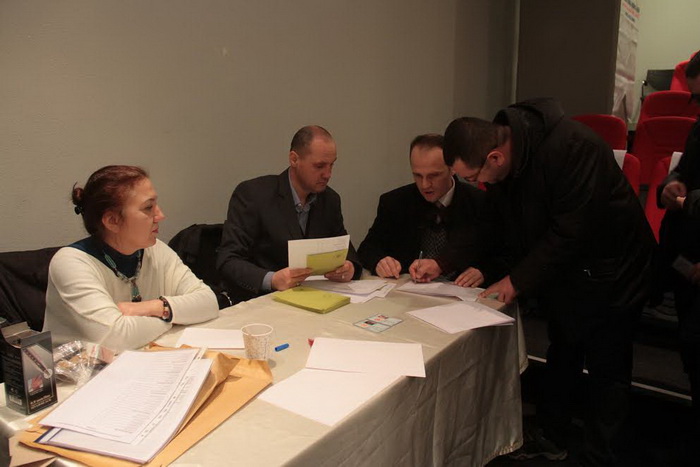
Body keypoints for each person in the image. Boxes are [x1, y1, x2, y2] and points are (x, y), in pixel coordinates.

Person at [443, 99, 654, 466]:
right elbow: (490, 224)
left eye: (473, 177)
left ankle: (601, 455)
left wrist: (516, 280)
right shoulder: (510, 161)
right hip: (565, 274)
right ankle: (552, 436)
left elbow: (571, 232)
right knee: (563, 352)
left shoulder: (575, 147)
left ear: (495, 158)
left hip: (614, 271)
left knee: (607, 369)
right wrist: (441, 261)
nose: (476, 185)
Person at [43, 166, 218, 352]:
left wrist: (153, 308)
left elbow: (208, 302)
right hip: (75, 368)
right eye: (148, 207)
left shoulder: (155, 249)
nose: (160, 215)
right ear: (112, 221)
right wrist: (173, 317)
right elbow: (117, 337)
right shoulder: (71, 263)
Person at [217, 125, 362, 303]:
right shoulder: (254, 195)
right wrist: (272, 279)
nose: (328, 174)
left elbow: (346, 249)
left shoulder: (330, 200)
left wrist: (349, 268)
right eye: (319, 166)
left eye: (332, 165)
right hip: (263, 301)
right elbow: (228, 261)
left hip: (317, 297)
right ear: (294, 159)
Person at [358, 133, 503, 286]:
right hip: (408, 290)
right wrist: (380, 262)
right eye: (418, 175)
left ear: (452, 169)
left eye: (434, 175)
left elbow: (503, 254)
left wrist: (483, 271)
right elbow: (368, 248)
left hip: (462, 291)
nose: (425, 185)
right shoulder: (395, 202)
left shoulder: (481, 202)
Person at [657, 50, 700, 460]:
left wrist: (689, 201)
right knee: (690, 350)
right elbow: (685, 169)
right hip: (686, 257)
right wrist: (671, 184)